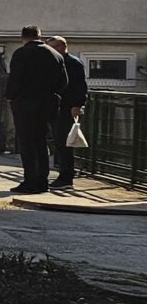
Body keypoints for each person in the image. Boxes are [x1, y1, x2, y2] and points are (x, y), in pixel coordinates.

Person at [4, 25, 65, 193]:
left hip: (25, 103)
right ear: (40, 36)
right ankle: (42, 180)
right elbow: (63, 82)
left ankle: (30, 180)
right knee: (41, 141)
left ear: (23, 37)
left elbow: (15, 79)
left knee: (27, 142)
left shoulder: (21, 53)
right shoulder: (55, 55)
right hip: (47, 104)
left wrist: (11, 96)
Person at [48, 33, 89, 189]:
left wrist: (78, 105)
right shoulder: (58, 62)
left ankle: (66, 177)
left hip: (68, 107)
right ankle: (63, 174)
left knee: (65, 144)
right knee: (60, 142)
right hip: (59, 106)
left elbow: (80, 86)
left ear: (64, 47)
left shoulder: (73, 63)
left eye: (55, 47)